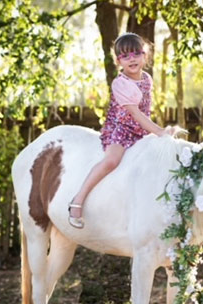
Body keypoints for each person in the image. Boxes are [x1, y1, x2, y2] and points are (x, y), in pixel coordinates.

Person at [68, 32, 175, 229]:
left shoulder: (147, 79)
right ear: (118, 61)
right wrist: (160, 131)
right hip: (121, 129)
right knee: (112, 161)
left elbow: (145, 111)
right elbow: (135, 114)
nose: (131, 59)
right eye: (125, 56)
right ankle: (78, 199)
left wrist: (156, 133)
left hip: (141, 129)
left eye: (136, 53)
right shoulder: (120, 84)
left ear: (145, 56)